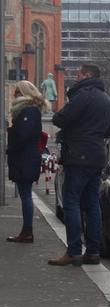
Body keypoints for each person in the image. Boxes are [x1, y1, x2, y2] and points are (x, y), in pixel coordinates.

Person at [48, 64, 110, 267]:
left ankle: (73, 251)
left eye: (78, 74)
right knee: (92, 203)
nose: (76, 77)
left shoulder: (83, 96)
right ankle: (93, 251)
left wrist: (79, 130)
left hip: (78, 155)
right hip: (97, 155)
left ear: (88, 75)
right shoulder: (106, 99)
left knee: (71, 201)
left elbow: (60, 118)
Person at [6, 81, 50, 243]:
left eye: (16, 91)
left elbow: (23, 136)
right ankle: (26, 231)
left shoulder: (28, 111)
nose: (14, 94)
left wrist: (11, 145)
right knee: (25, 194)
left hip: (25, 158)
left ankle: (27, 231)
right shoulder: (29, 110)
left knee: (25, 195)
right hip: (26, 158)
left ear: (22, 93)